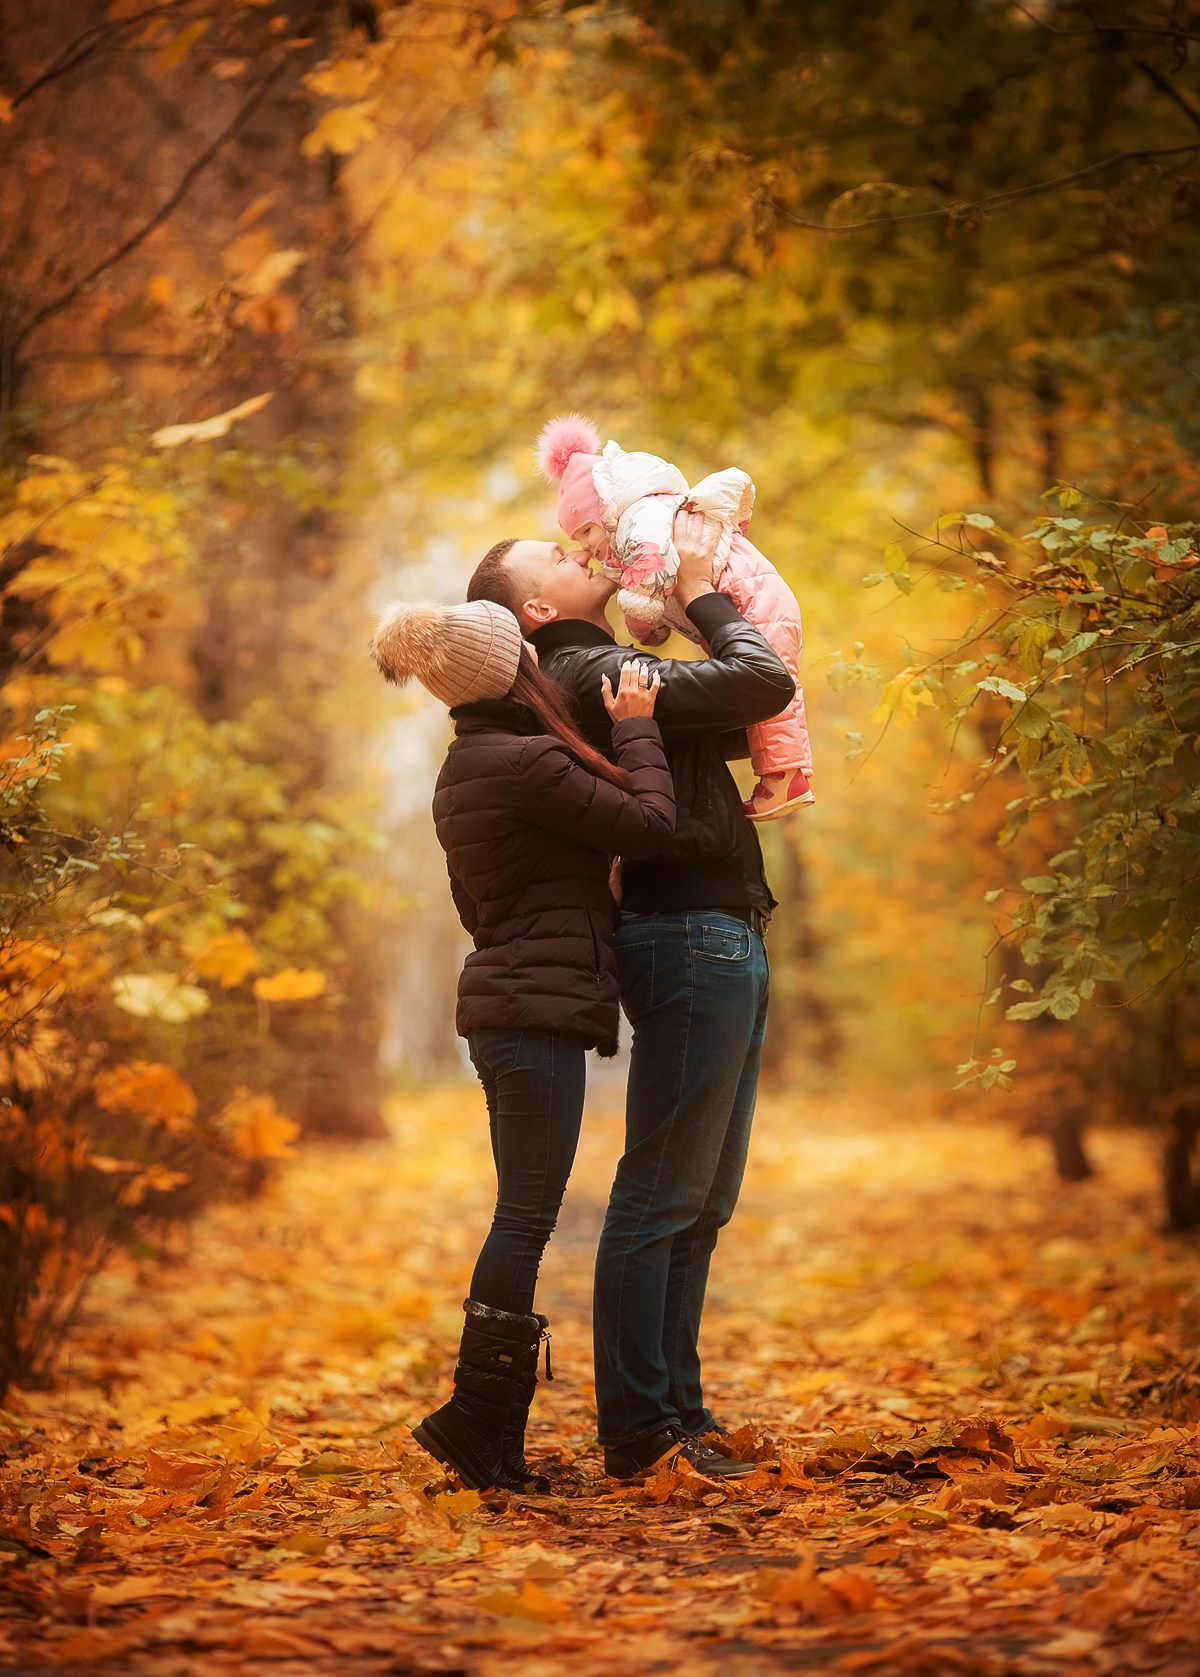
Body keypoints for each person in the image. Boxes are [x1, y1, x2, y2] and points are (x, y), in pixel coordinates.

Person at [466, 505, 796, 1482]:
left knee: (700, 1201)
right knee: (664, 1196)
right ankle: (642, 1429)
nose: (580, 552)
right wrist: (697, 585)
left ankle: (678, 1414)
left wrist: (684, 622)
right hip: (689, 932)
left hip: (714, 926)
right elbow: (766, 679)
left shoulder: (612, 680)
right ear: (533, 608)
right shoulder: (594, 671)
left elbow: (748, 711)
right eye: (555, 557)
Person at [369, 597, 676, 1492]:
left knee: (523, 1210)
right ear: (514, 670)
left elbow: (487, 907)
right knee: (526, 1215)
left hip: (508, 1011)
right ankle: (475, 1419)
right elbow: (653, 826)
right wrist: (641, 729)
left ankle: (489, 1432)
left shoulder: (464, 769)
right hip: (531, 1020)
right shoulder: (528, 758)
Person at [537, 412, 813, 821]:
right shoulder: (626, 532)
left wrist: (641, 615)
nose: (585, 549)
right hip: (738, 600)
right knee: (762, 684)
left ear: (602, 512)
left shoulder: (639, 517)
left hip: (752, 596)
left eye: (584, 533)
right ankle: (781, 775)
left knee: (772, 684)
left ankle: (784, 777)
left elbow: (651, 563)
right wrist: (649, 618)